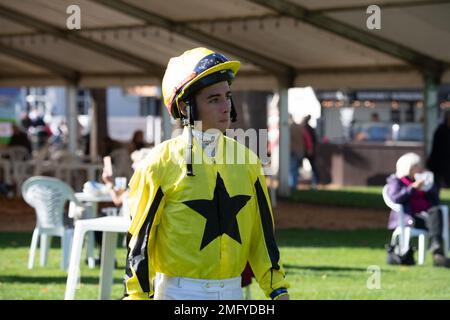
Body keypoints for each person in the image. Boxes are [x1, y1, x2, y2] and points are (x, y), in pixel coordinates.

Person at [123, 47, 290, 300]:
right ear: (184, 106)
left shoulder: (248, 162)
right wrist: (136, 297)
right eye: (214, 99)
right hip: (178, 294)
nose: (226, 107)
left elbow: (262, 236)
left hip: (234, 293)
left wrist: (277, 289)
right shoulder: (158, 164)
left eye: (228, 96)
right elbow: (140, 243)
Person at [387, 152, 450, 267]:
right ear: (408, 167)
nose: (420, 169)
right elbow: (396, 198)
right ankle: (437, 253)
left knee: (436, 211)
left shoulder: (422, 181)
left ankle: (437, 248)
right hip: (409, 218)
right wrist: (412, 188)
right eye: (417, 166)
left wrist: (430, 187)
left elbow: (435, 201)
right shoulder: (397, 181)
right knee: (435, 218)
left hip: (427, 216)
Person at [427, 110, 450, 192]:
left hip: (444, 164)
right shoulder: (441, 131)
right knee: (437, 186)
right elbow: (439, 150)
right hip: (439, 165)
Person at [301, 115, 319, 189]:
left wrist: (310, 149)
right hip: (307, 150)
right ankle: (314, 183)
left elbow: (309, 141)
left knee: (313, 167)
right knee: (313, 167)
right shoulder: (309, 128)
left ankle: (314, 184)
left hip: (307, 151)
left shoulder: (306, 128)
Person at [289, 115, 304, 191]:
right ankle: (294, 185)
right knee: (295, 169)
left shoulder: (289, 128)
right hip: (299, 151)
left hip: (293, 151)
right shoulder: (299, 128)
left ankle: (292, 186)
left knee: (292, 169)